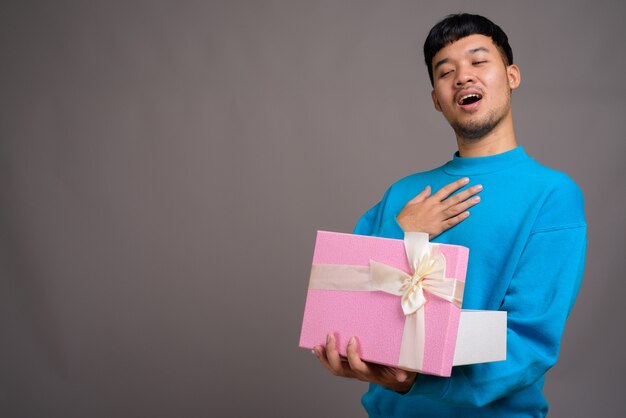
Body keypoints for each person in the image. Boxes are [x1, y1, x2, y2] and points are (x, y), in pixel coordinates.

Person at [312, 13, 587, 417]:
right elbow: (345, 300)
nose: (463, 77)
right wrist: (401, 230)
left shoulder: (552, 195)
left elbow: (529, 343)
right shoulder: (403, 195)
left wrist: (417, 381)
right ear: (436, 98)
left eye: (478, 62)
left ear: (512, 76)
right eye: (446, 72)